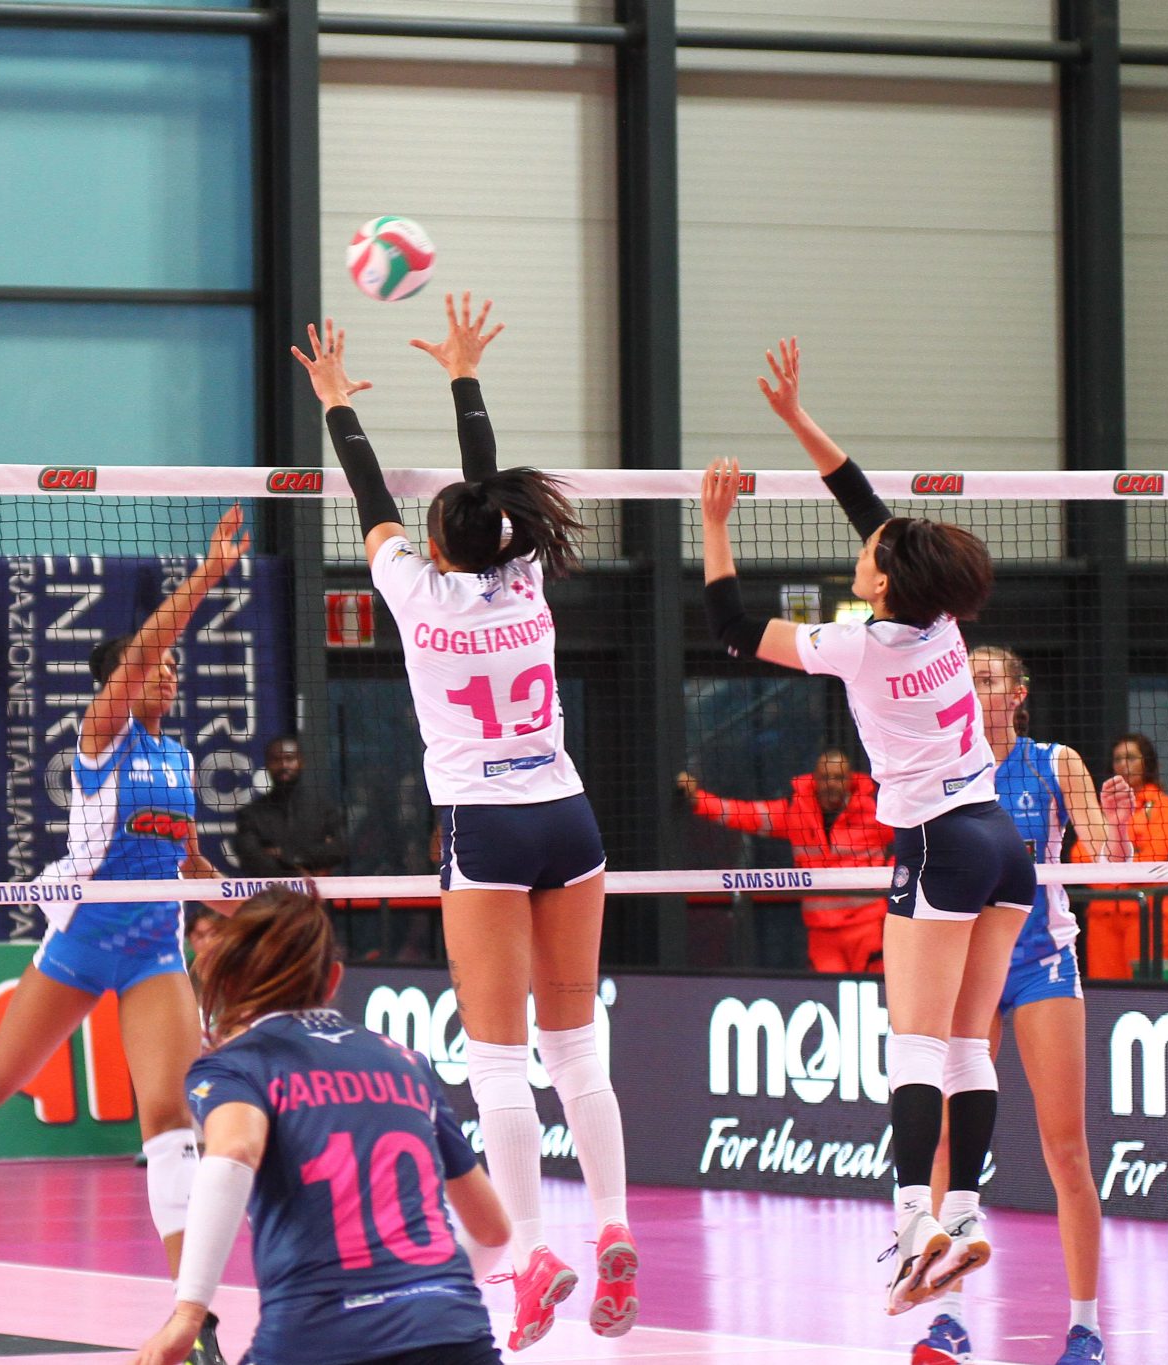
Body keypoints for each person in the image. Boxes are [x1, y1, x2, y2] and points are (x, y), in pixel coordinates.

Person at [292, 295, 635, 1350]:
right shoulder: (525, 579)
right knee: (575, 1047)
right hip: (568, 818)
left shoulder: (414, 592)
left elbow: (368, 494)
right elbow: (483, 491)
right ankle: (614, 1227)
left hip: (485, 829)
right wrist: (463, 377)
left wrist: (337, 402)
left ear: (435, 546)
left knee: (496, 1060)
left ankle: (532, 1252)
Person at [702, 336, 1034, 1318]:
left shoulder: (861, 647)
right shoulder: (941, 623)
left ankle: (912, 1223)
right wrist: (796, 419)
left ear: (883, 583)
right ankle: (961, 1217)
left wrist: (714, 525)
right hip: (1001, 844)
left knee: (915, 1043)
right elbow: (865, 504)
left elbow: (733, 632)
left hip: (938, 846)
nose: (864, 550)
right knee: (967, 1043)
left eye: (871, 558)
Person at [0, 505, 247, 1365]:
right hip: (80, 939)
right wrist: (205, 577)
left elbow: (192, 863)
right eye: (156, 666)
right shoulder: (100, 738)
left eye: (174, 669)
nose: (169, 675)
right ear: (124, 678)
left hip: (156, 949)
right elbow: (147, 648)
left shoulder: (180, 761)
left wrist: (257, 907)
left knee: (169, 1120)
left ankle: (192, 1320)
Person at [133, 887, 511, 1365]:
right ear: (333, 979)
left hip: (318, 1337)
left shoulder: (239, 1066)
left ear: (225, 981)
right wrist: (424, 1298)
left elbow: (233, 1153)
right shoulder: (406, 1062)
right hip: (455, 1332)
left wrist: (189, 1314)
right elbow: (492, 1230)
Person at [912, 647, 1134, 1365]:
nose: (975, 689)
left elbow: (1112, 863)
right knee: (951, 1142)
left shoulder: (1054, 763)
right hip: (968, 967)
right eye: (967, 679)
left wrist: (1117, 829)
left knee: (1065, 1149)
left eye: (988, 679)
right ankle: (946, 1319)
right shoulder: (940, 764)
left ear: (1018, 694)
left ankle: (1085, 1328)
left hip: (1041, 963)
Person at [677, 750, 893, 972]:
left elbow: (908, 840)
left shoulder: (875, 812)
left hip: (868, 928)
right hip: (821, 934)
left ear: (850, 780)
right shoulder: (796, 812)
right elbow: (746, 815)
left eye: (838, 777)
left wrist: (894, 877)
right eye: (825, 777)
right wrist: (698, 800)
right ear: (814, 780)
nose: (831, 784)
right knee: (827, 991)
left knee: (879, 990)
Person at [1084, 734, 1168, 979]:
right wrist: (1129, 855)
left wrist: (1111, 862)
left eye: (1130, 758)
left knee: (1146, 989)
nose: (1123, 765)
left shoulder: (1162, 805)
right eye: (1118, 759)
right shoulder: (1102, 806)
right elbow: (1082, 856)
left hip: (1147, 915)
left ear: (1146, 763)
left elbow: (1155, 856)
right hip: (1102, 916)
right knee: (1105, 993)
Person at [234, 736, 349, 877]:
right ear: (267, 764)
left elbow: (339, 849)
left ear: (301, 762)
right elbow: (250, 857)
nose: (283, 765)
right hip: (272, 889)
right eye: (276, 760)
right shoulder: (251, 814)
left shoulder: (324, 808)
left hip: (318, 889)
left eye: (290, 759)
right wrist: (297, 872)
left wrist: (286, 854)